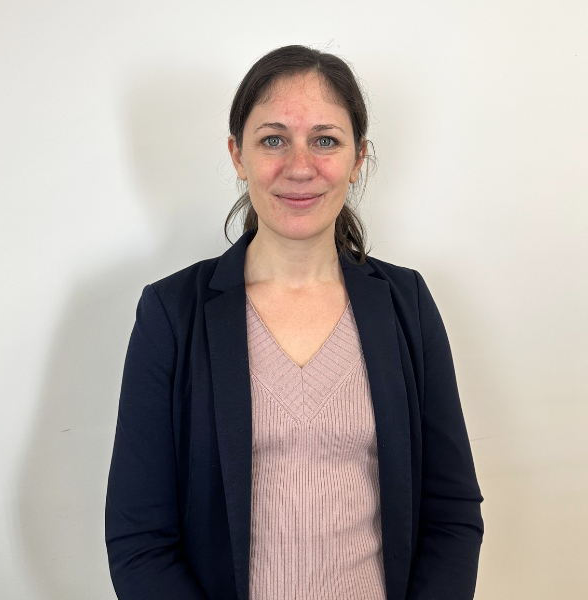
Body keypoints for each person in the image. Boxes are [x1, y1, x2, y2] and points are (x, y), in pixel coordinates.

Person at [105, 45, 484, 600]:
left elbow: (451, 512)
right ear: (238, 155)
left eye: (325, 140)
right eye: (273, 140)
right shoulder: (170, 314)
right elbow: (139, 540)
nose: (300, 166)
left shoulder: (408, 304)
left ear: (358, 159)